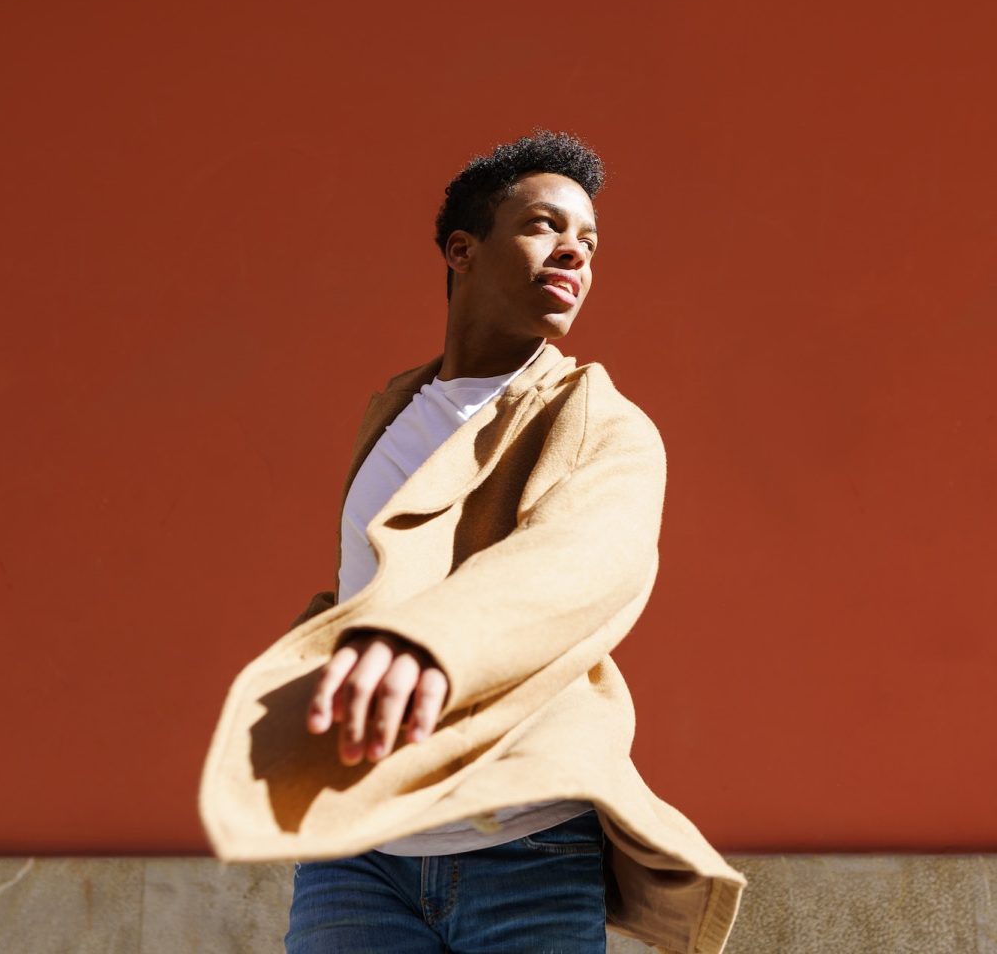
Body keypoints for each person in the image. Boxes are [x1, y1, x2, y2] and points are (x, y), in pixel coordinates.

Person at [199, 131, 745, 954]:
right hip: (360, 853)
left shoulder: (603, 423)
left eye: (590, 242)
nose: (575, 250)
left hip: (526, 846)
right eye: (543, 226)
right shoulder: (391, 411)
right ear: (463, 249)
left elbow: (582, 563)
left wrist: (424, 643)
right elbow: (365, 582)